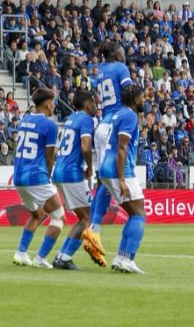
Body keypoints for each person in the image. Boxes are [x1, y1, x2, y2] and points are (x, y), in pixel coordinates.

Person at [51, 91, 106, 269]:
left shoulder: (70, 119)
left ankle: (62, 255)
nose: (96, 106)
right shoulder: (86, 120)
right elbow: (85, 146)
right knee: (88, 217)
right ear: (87, 103)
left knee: (83, 218)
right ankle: (64, 257)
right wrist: (90, 166)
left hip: (59, 170)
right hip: (71, 172)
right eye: (94, 102)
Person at [11, 88, 65, 268]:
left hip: (19, 177)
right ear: (48, 103)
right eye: (53, 101)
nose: (54, 105)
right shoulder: (50, 126)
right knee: (59, 217)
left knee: (38, 214)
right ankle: (41, 258)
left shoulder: (25, 120)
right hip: (36, 177)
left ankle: (21, 253)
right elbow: (50, 157)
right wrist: (48, 177)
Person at [88, 42, 133, 255]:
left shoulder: (101, 71)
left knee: (102, 181)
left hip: (102, 124)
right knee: (108, 179)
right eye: (123, 51)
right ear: (116, 53)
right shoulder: (120, 68)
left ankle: (93, 228)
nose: (125, 55)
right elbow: (129, 93)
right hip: (113, 124)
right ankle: (93, 229)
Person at [98, 85, 147, 273]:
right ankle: (127, 259)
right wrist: (121, 180)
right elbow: (122, 147)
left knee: (134, 214)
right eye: (142, 97)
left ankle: (120, 258)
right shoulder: (130, 116)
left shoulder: (118, 114)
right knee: (139, 215)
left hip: (106, 167)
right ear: (135, 99)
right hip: (120, 171)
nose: (144, 100)